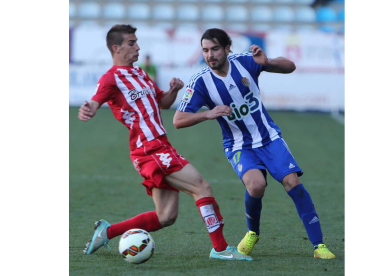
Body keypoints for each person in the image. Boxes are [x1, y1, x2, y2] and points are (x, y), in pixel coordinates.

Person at [78, 24, 252, 261]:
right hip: (148, 149)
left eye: (136, 41)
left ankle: (106, 232)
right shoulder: (110, 79)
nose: (137, 47)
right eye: (131, 43)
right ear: (116, 48)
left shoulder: (139, 73)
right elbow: (96, 102)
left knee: (166, 217)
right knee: (201, 187)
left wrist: (172, 90)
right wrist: (88, 109)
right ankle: (220, 249)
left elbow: (163, 102)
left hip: (160, 147)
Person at [173, 28, 336, 259]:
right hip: (238, 145)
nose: (210, 55)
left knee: (292, 181)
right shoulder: (200, 82)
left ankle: (318, 245)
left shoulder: (246, 62)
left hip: (269, 137)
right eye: (206, 50)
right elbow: (178, 120)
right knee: (256, 185)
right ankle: (253, 232)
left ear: (227, 48)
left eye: (215, 49)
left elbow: (290, 67)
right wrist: (207, 115)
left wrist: (268, 62)